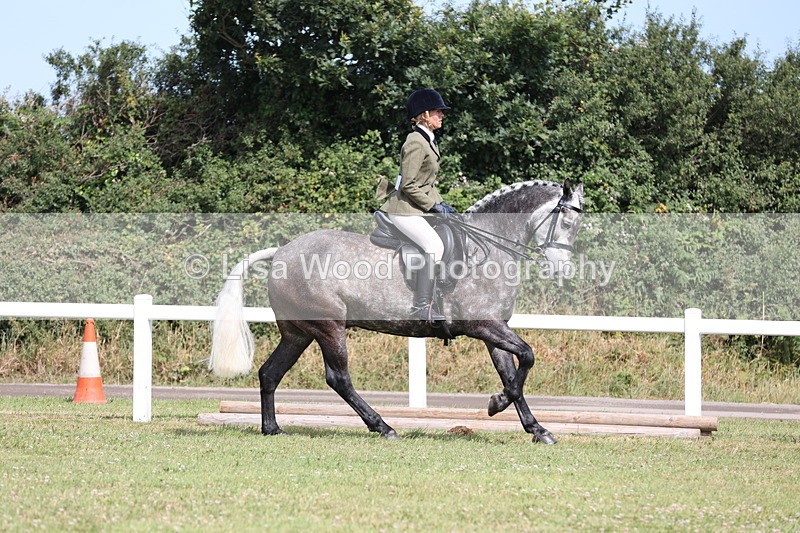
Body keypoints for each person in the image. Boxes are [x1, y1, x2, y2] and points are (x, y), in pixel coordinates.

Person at [376, 88, 457, 321]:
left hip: (417, 207)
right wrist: (434, 206)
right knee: (434, 246)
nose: (441, 115)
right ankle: (422, 307)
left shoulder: (428, 141)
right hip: (403, 210)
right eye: (437, 111)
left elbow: (427, 183)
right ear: (423, 114)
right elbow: (409, 185)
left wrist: (444, 205)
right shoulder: (415, 142)